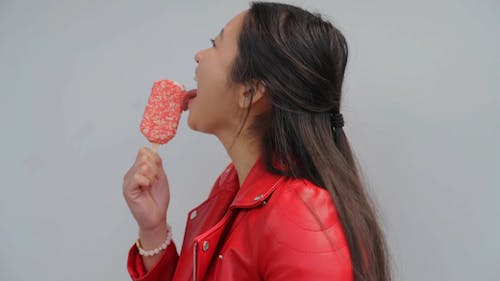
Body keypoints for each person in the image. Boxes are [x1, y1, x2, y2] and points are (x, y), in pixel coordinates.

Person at [123, 2, 391, 281]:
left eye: (215, 45)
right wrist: (153, 230)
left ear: (250, 90)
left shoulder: (300, 216)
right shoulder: (229, 187)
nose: (199, 56)